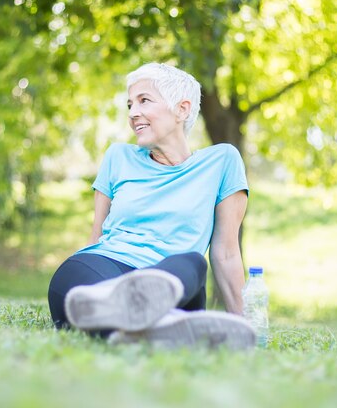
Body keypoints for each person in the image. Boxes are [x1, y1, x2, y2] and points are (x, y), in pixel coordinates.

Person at [48, 62, 255, 349]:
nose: (133, 113)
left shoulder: (222, 161)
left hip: (175, 281)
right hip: (105, 267)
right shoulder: (118, 156)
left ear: (182, 109)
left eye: (144, 100)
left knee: (193, 261)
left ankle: (144, 317)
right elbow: (95, 236)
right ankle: (153, 327)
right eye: (130, 104)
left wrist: (243, 327)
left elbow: (227, 252)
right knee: (80, 283)